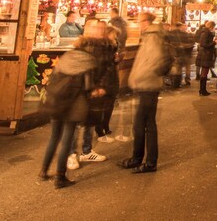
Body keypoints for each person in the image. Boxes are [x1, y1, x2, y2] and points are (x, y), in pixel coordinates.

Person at [39, 44, 98, 188]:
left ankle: (43, 171)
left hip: (56, 102)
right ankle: (60, 177)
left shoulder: (65, 58)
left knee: (54, 137)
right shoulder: (87, 63)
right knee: (67, 140)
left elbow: (52, 78)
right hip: (73, 106)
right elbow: (88, 86)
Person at [120, 12, 167, 174]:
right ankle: (140, 158)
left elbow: (152, 62)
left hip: (148, 85)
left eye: (140, 21)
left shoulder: (152, 37)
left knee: (143, 124)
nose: (138, 24)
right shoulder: (150, 36)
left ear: (147, 22)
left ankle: (146, 161)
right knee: (145, 124)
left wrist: (137, 78)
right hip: (147, 85)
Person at [74, 20, 118, 163]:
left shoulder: (105, 47)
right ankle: (71, 154)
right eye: (95, 28)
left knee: (90, 121)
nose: (99, 31)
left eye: (101, 29)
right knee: (74, 123)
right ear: (87, 29)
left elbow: (107, 69)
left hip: (95, 90)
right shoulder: (82, 46)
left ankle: (86, 151)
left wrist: (102, 87)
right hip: (81, 89)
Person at [194, 21, 216, 96]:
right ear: (211, 26)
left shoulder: (205, 32)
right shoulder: (206, 33)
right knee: (204, 72)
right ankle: (202, 90)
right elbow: (204, 44)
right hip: (205, 55)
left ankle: (203, 90)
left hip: (205, 54)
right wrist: (214, 42)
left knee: (204, 72)